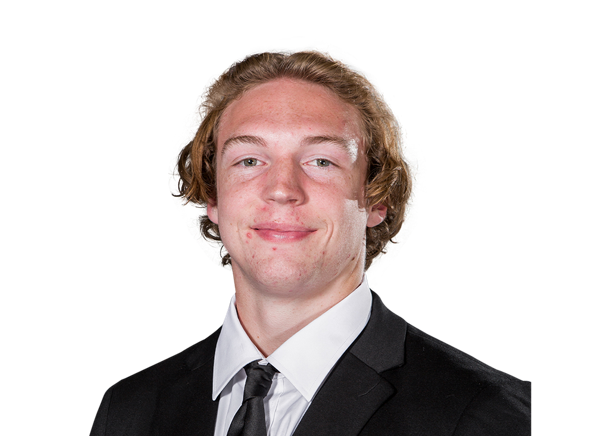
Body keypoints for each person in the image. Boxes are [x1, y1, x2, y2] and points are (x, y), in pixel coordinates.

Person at [90, 48, 532, 436]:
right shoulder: (128, 410)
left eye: (321, 161)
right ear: (213, 196)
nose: (282, 189)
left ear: (376, 198)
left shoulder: (492, 414)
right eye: (249, 160)